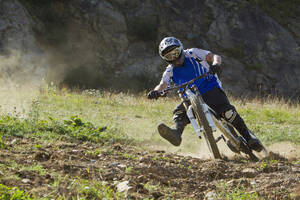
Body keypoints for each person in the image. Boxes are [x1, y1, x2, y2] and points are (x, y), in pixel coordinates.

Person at [147, 36, 263, 152]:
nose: (175, 58)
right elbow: (163, 84)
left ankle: (249, 138)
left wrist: (216, 64)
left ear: (181, 49)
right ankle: (176, 134)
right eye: (169, 56)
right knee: (179, 113)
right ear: (165, 59)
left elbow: (214, 57)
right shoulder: (170, 70)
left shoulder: (193, 53)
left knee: (228, 113)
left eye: (176, 53)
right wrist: (156, 92)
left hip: (211, 89)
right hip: (191, 99)